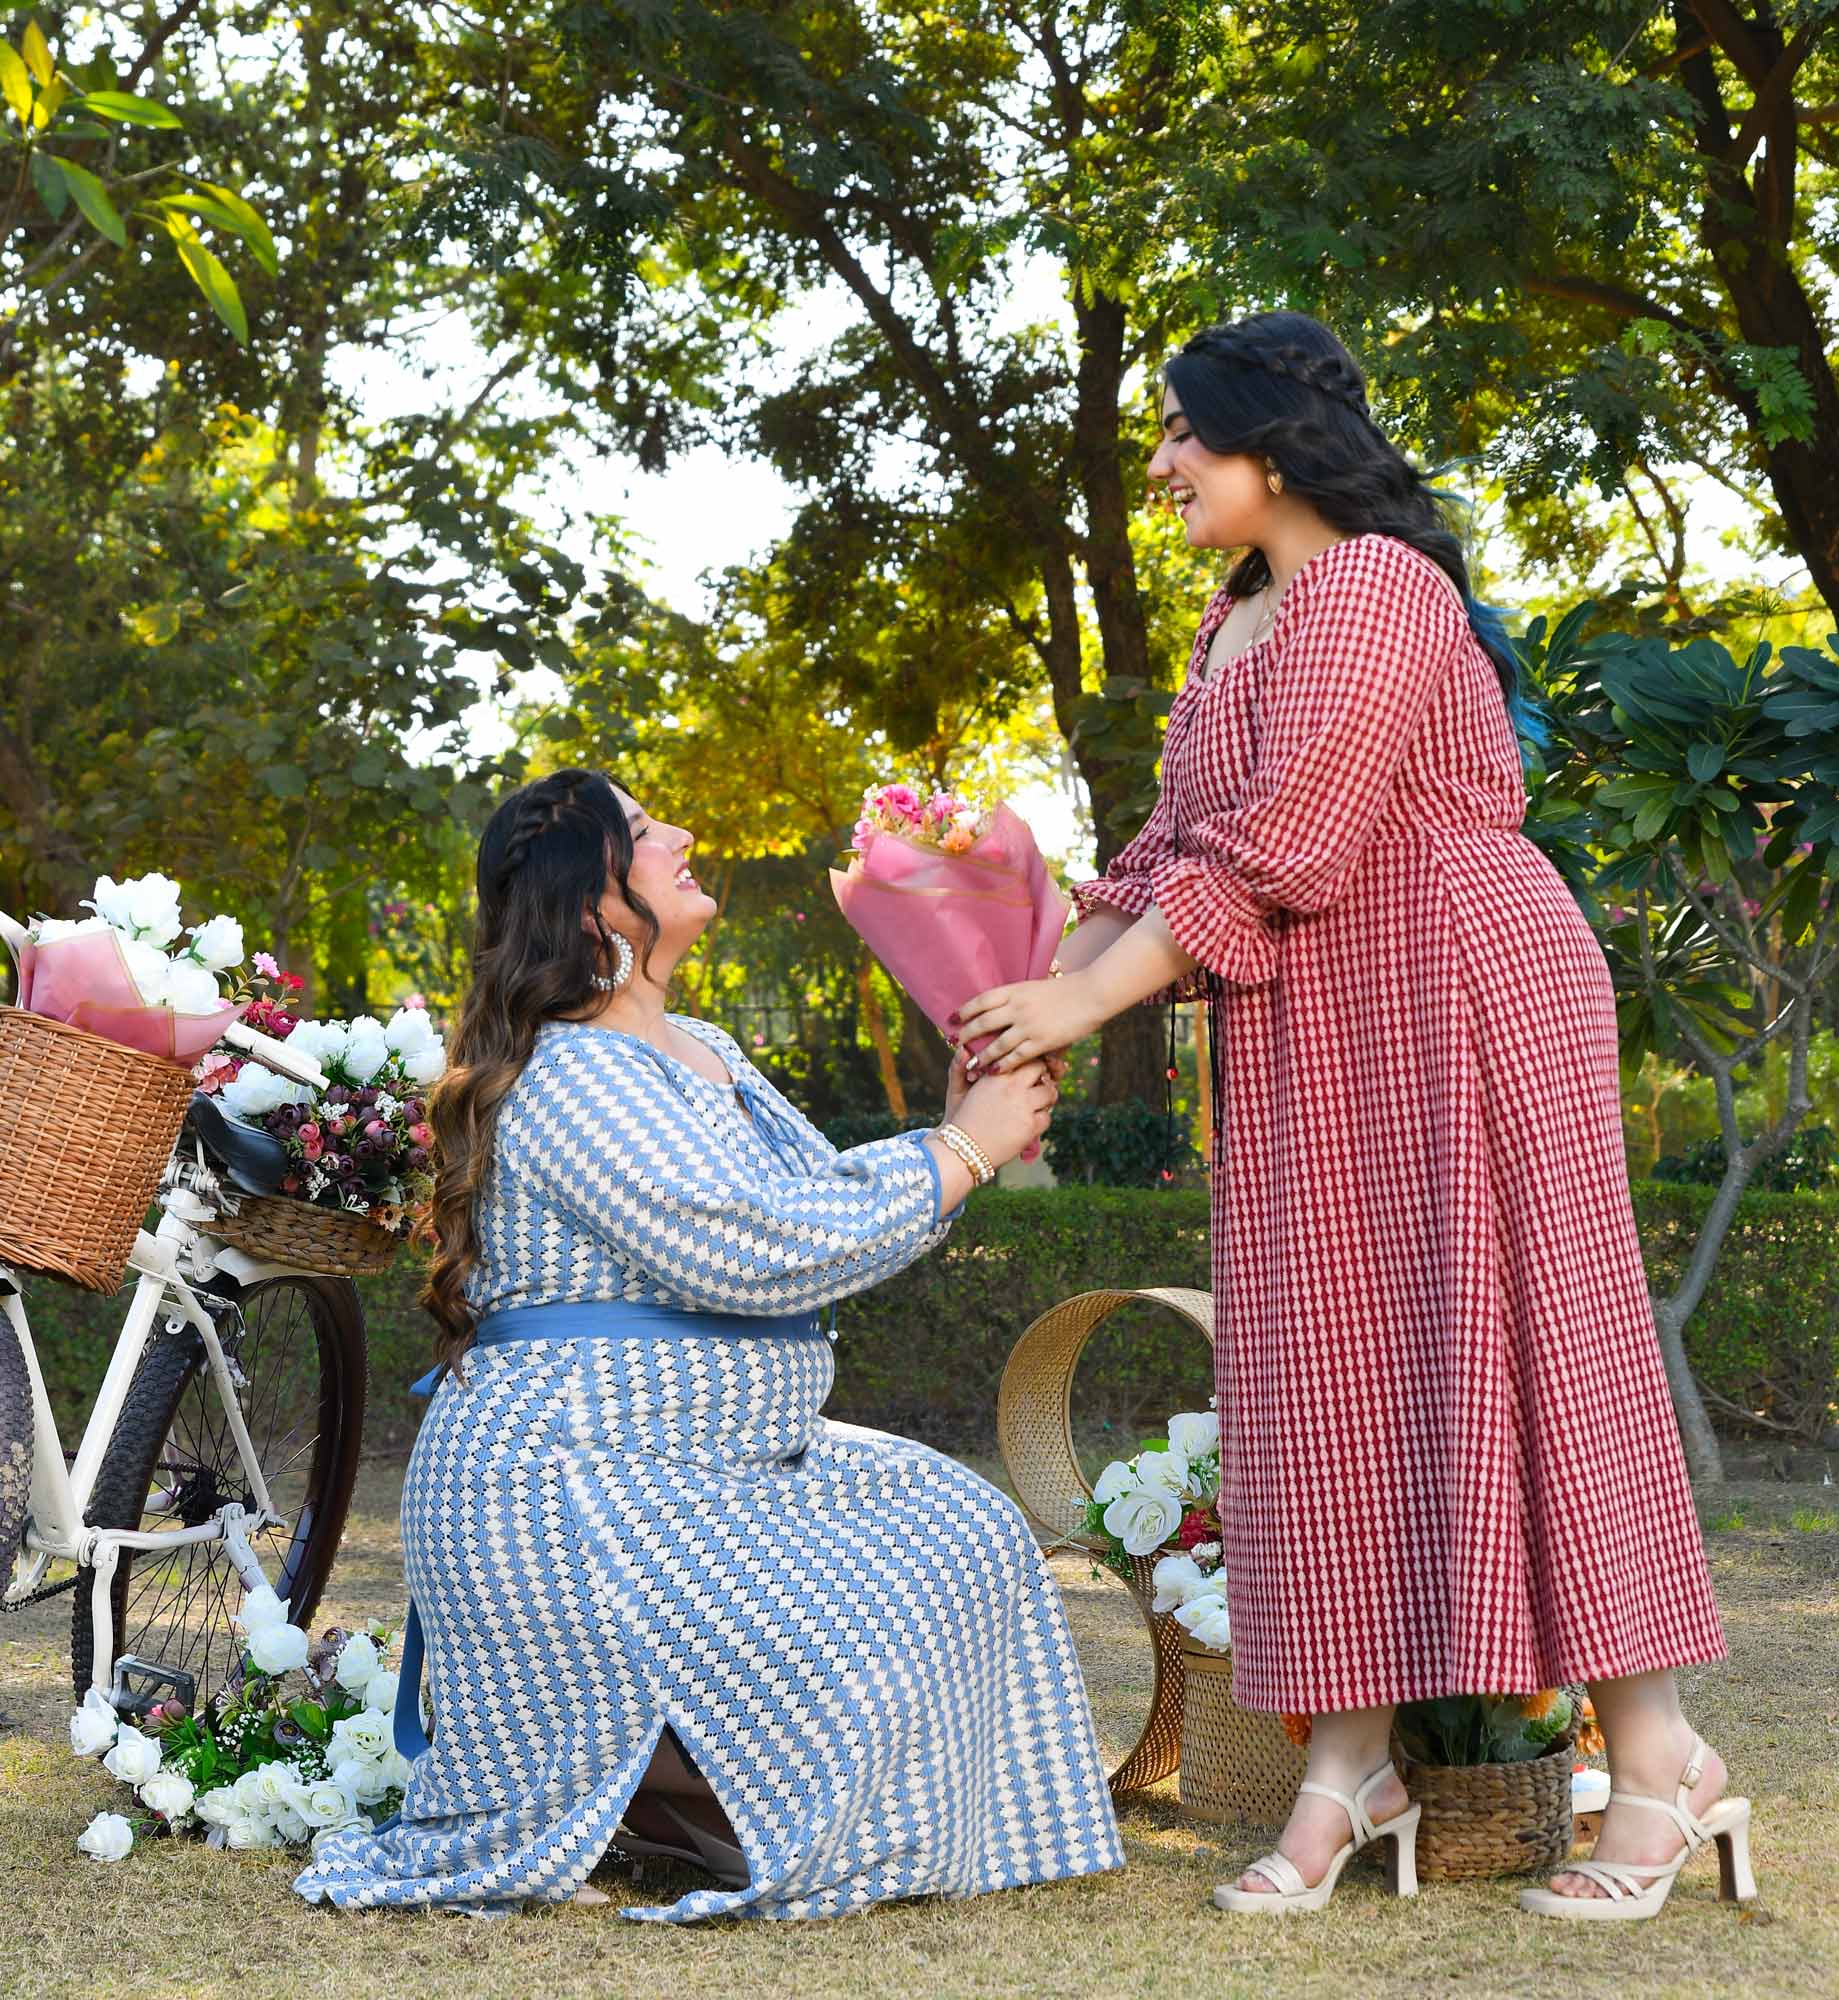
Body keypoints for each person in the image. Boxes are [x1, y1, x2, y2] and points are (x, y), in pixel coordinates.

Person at [955, 312, 1744, 1922]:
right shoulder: (1233, 614)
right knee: (1324, 1385)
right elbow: (1174, 854)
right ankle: (1348, 1763)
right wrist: (1015, 1017)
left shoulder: (1382, 590)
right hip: (1313, 1029)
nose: (1162, 464)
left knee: (1538, 1361)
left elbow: (1287, 846)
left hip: (1464, 996)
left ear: (1267, 442)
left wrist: (1079, 1004)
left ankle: (1661, 1761)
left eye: (1182, 433)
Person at [294, 768, 1122, 1921]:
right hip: (584, 1487)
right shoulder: (567, 1070)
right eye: (641, 830)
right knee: (840, 1654)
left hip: (721, 1470)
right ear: (592, 906)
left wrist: (956, 1114)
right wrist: (960, 1151)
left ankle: (681, 1790)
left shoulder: (702, 1045)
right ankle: (654, 1782)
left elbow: (821, 1201)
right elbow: (753, 1247)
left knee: (961, 1527)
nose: (681, 831)